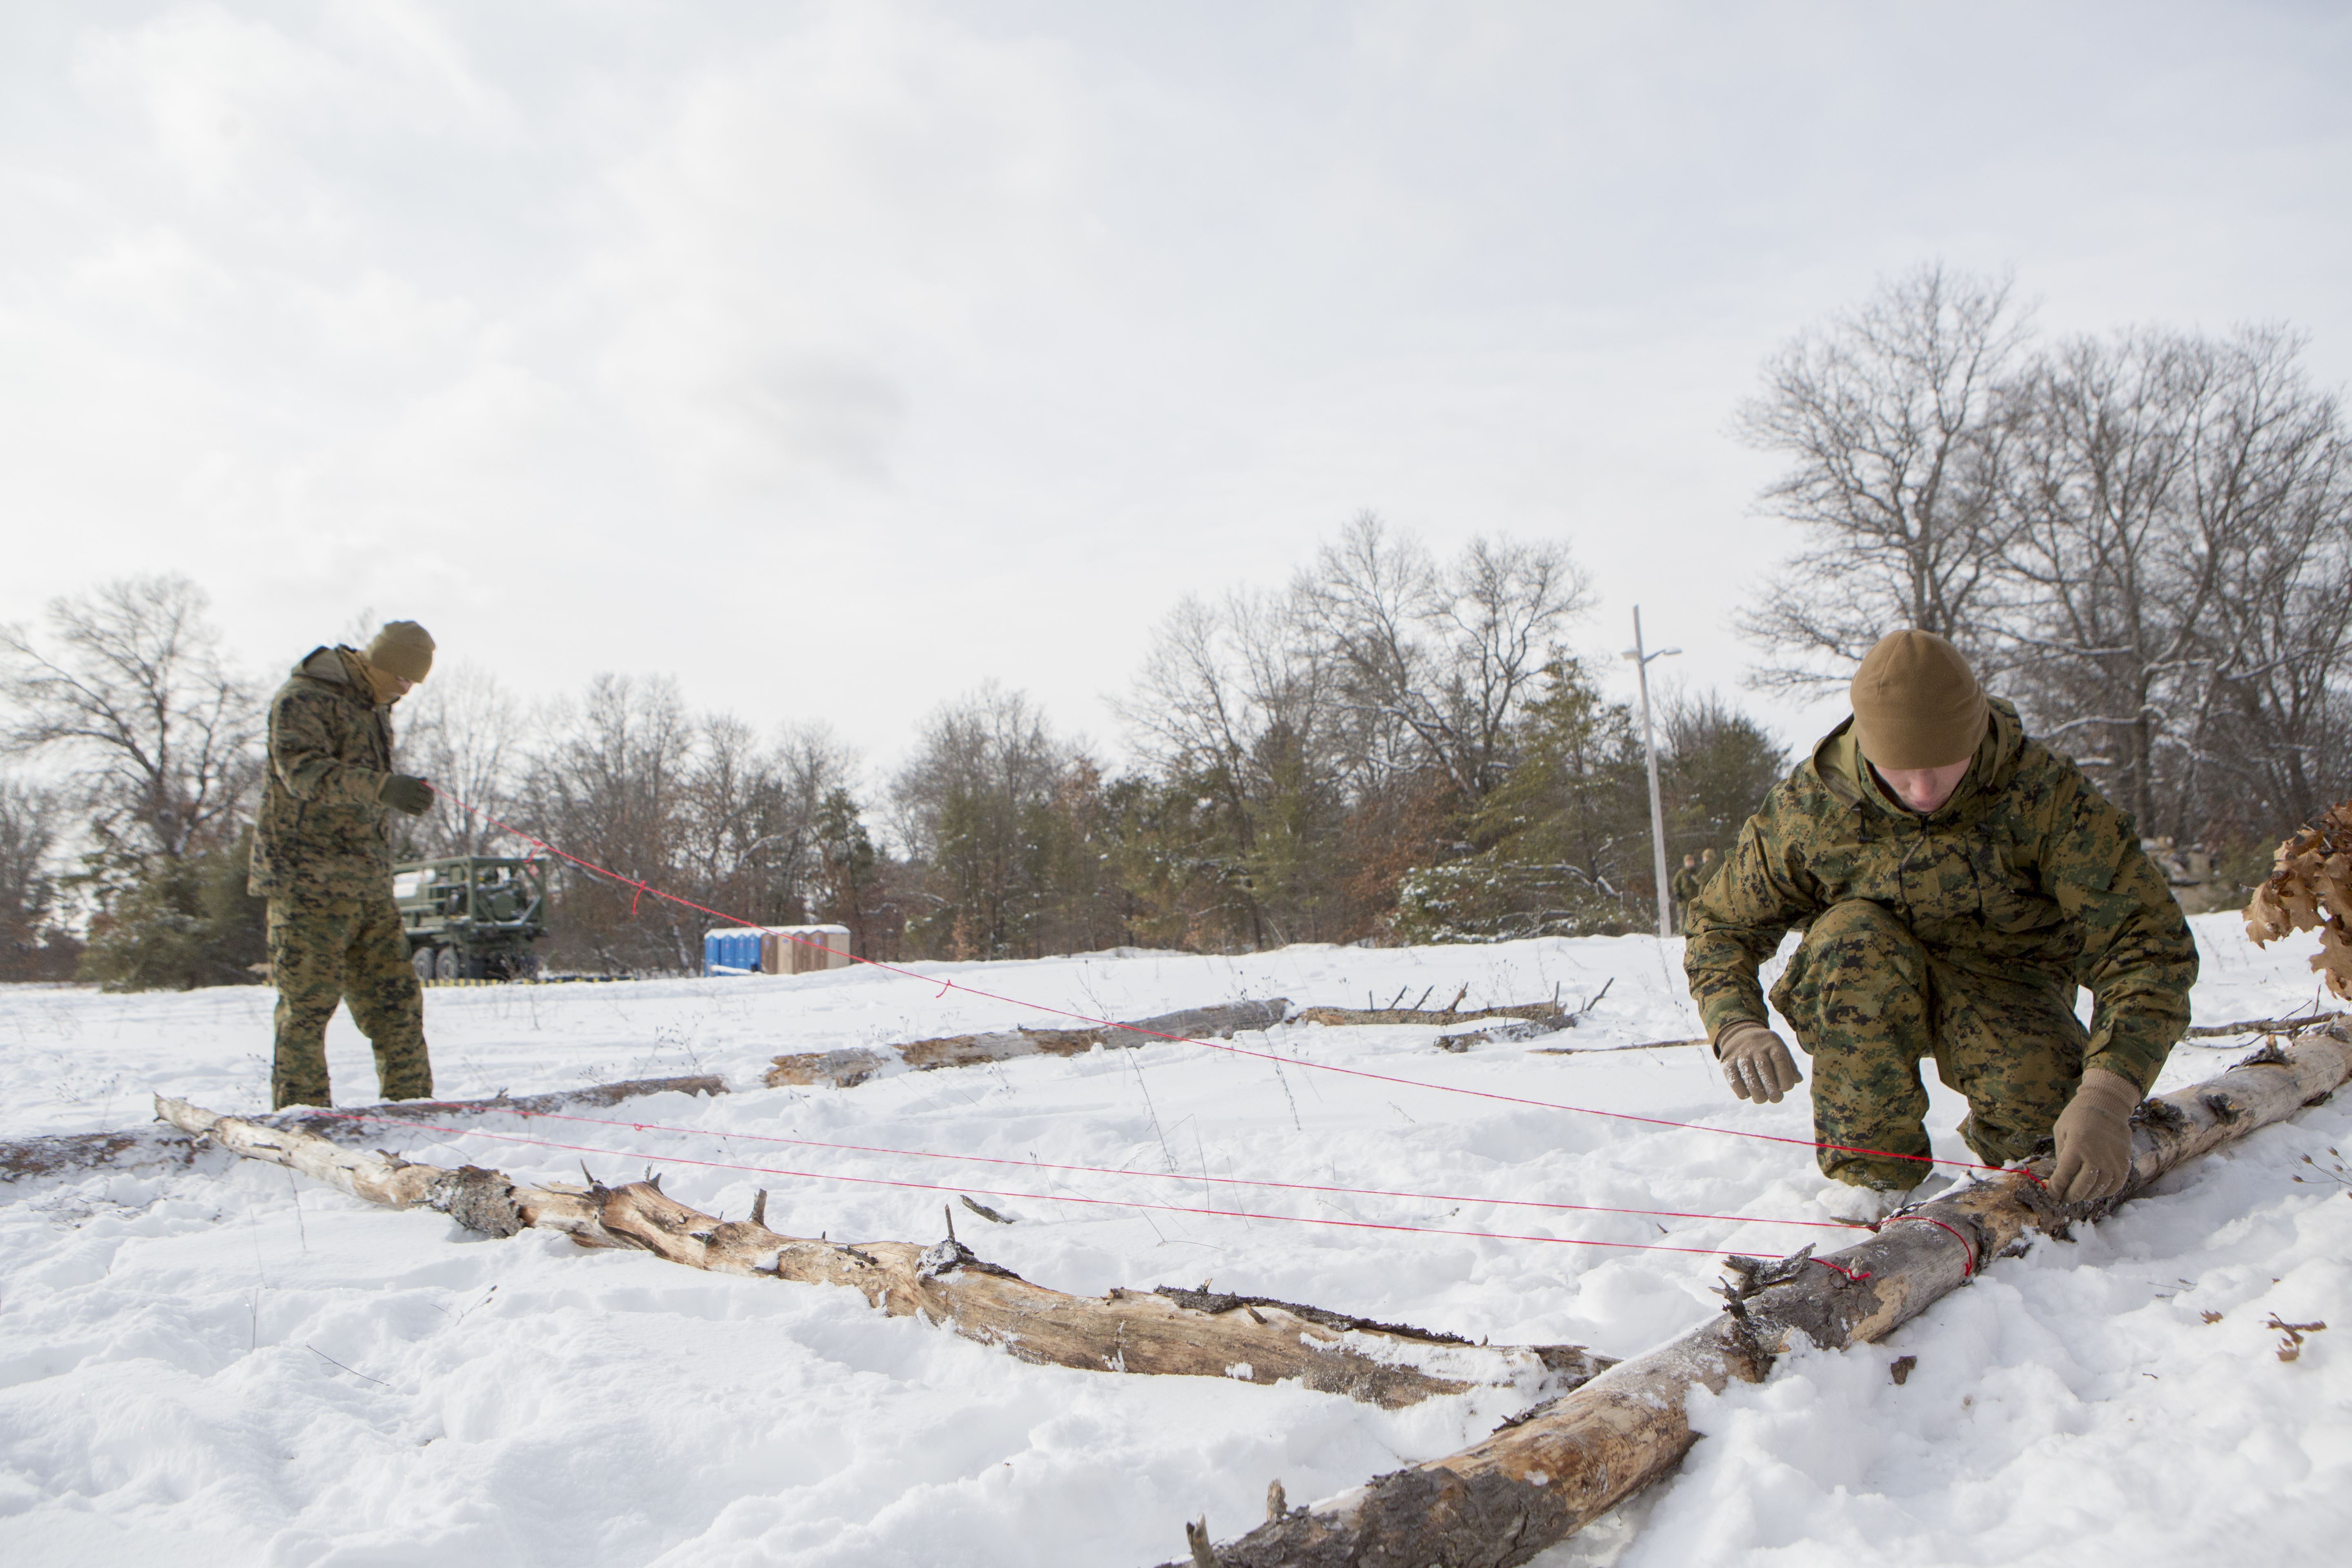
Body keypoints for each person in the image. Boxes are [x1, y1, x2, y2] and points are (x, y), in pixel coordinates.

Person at [1682, 630, 2196, 1222]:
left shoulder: (2046, 795)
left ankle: (2011, 1144)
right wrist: (1737, 1025)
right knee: (1852, 936)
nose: (1924, 791)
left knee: (2059, 1155)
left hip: (2008, 988)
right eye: (1900, 771)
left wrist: (2109, 1097)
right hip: (1864, 987)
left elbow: (2148, 947)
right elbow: (1721, 925)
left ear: (1976, 735)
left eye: (1945, 764)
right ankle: (1875, 1179)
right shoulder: (1809, 809)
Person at [248, 621, 441, 1109]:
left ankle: (416, 1115)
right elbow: (302, 774)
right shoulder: (302, 698)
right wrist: (381, 787)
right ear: (376, 663)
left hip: (368, 884)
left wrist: (396, 793)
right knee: (308, 1009)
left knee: (397, 1005)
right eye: (401, 678)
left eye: (412, 683)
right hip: (306, 884)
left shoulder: (372, 707)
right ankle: (303, 1123)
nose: (405, 690)